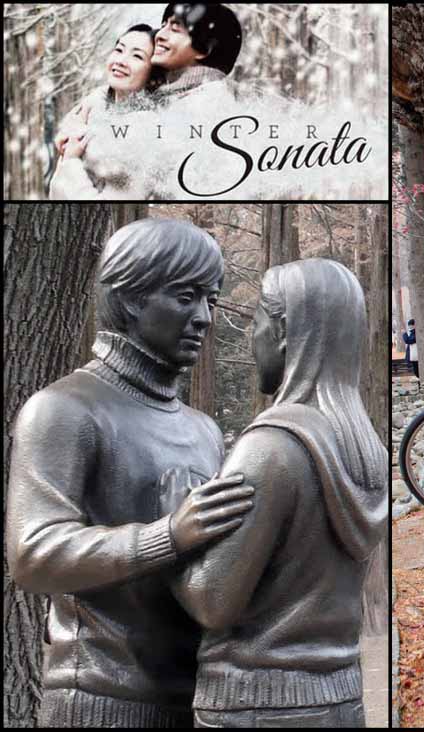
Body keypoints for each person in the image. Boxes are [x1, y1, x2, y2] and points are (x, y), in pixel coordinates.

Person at [6, 219, 255, 727]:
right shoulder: (64, 410)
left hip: (195, 700)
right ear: (133, 297)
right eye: (185, 297)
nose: (204, 317)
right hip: (99, 700)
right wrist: (167, 536)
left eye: (210, 299)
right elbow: (34, 555)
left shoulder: (203, 429)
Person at [170, 259, 388, 728]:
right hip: (340, 699)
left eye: (257, 323)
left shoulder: (269, 448)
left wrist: (170, 528)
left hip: (253, 703)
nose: (252, 340)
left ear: (286, 332)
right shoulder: (365, 447)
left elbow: (212, 601)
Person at [49, 24, 165, 199]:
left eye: (137, 56)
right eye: (119, 50)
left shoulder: (143, 139)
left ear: (153, 74)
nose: (121, 61)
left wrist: (71, 161)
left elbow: (98, 207)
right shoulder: (89, 110)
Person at [150, 3, 243, 104]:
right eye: (163, 26)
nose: (159, 35)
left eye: (175, 29)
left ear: (203, 49)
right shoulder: (176, 94)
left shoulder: (211, 97)